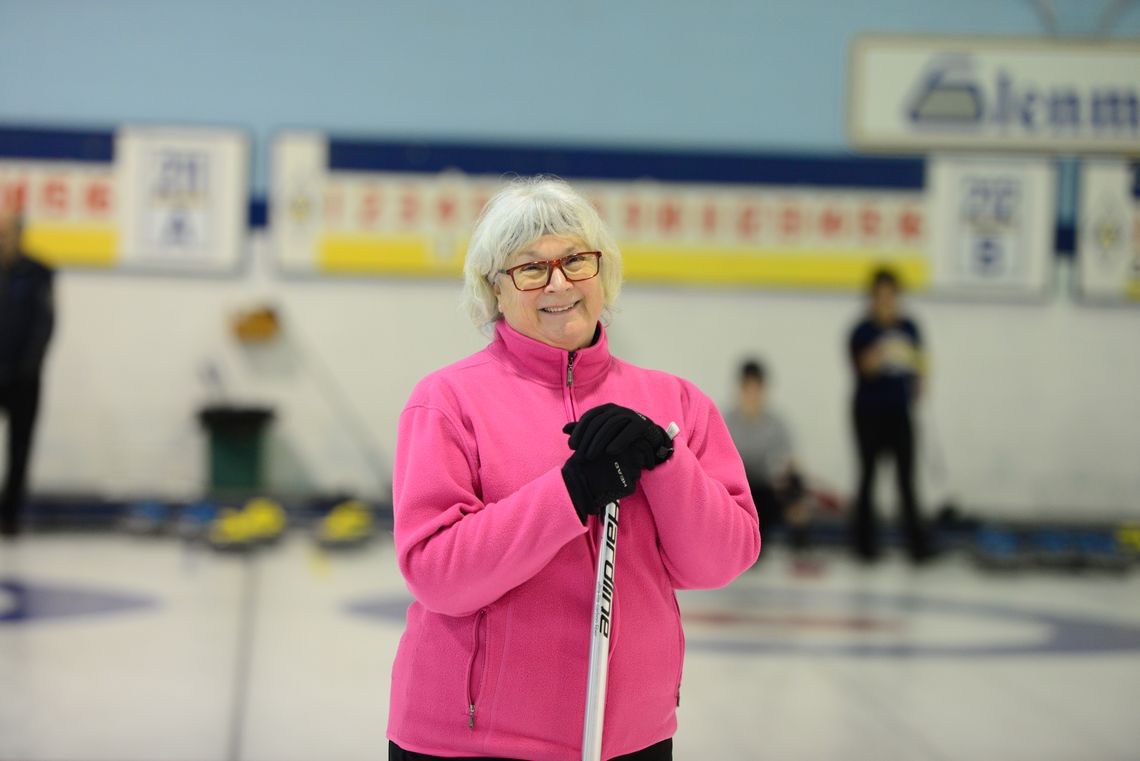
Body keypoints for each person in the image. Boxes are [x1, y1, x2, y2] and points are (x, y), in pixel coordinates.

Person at [387, 177, 760, 761]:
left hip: (631, 740)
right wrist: (570, 492)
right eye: (530, 269)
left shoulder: (676, 404)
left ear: (602, 271)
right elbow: (437, 574)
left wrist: (664, 459)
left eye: (575, 261)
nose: (558, 282)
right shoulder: (447, 401)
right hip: (471, 744)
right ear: (495, 290)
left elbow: (722, 560)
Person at [847, 267, 929, 563]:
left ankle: (917, 547)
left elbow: (921, 369)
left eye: (890, 295)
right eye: (880, 296)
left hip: (899, 411)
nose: (885, 301)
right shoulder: (862, 331)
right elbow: (863, 367)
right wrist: (886, 350)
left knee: (906, 478)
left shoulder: (910, 328)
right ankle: (864, 545)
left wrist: (918, 383)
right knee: (868, 475)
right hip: (868, 413)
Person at [0, 208, 55, 538]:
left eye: (6, 233)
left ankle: (10, 516)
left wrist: (27, 367)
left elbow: (44, 323)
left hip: (23, 378)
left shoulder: (37, 272)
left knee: (20, 449)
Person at [723, 358, 811, 554]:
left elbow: (791, 462)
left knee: (795, 483)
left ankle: (799, 540)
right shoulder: (726, 421)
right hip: (736, 490)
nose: (752, 395)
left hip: (764, 489)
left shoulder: (775, 423)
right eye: (748, 389)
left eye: (757, 389)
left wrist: (794, 486)